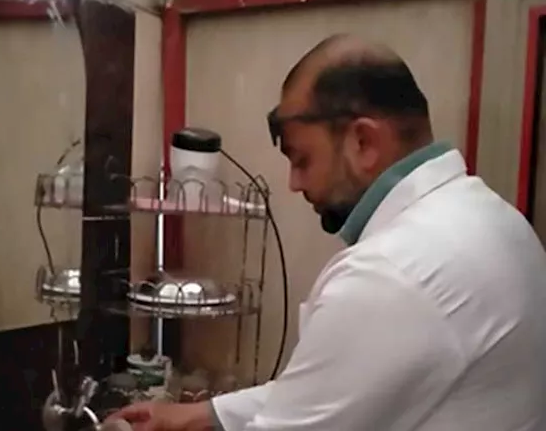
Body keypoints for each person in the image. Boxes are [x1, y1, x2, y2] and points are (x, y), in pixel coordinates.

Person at [109, 34, 546, 430]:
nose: (294, 183)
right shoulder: (494, 220)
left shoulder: (391, 273)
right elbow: (333, 388)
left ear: (364, 142)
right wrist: (204, 414)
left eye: (301, 159)